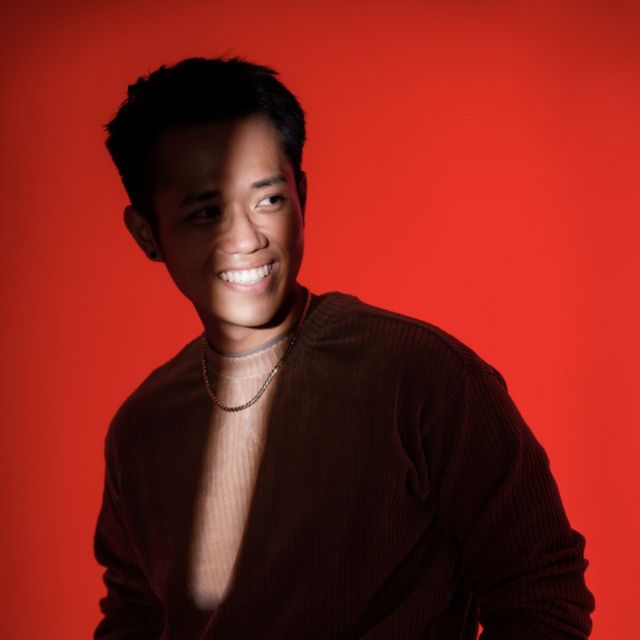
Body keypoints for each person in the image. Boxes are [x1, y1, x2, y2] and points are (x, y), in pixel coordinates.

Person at [94, 57, 594, 639]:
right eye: (206, 212)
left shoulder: (425, 377)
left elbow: (543, 595)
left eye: (269, 199)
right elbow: (134, 619)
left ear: (301, 195)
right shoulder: (141, 427)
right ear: (147, 233)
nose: (246, 238)